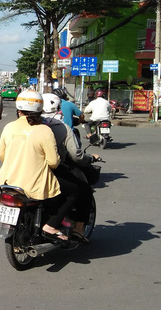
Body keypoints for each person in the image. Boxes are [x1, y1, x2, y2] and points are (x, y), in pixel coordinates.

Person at [0, 90, 73, 241]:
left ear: (19, 109)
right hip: (34, 185)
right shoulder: (44, 130)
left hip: (8, 181)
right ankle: (51, 225)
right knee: (73, 191)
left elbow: (1, 155)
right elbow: (53, 162)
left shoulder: (9, 127)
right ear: (40, 110)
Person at [42, 93, 99, 242]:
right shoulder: (61, 128)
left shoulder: (20, 127)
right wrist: (90, 158)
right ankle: (75, 229)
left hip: (15, 173)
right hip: (49, 170)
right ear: (59, 109)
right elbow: (73, 156)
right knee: (79, 190)